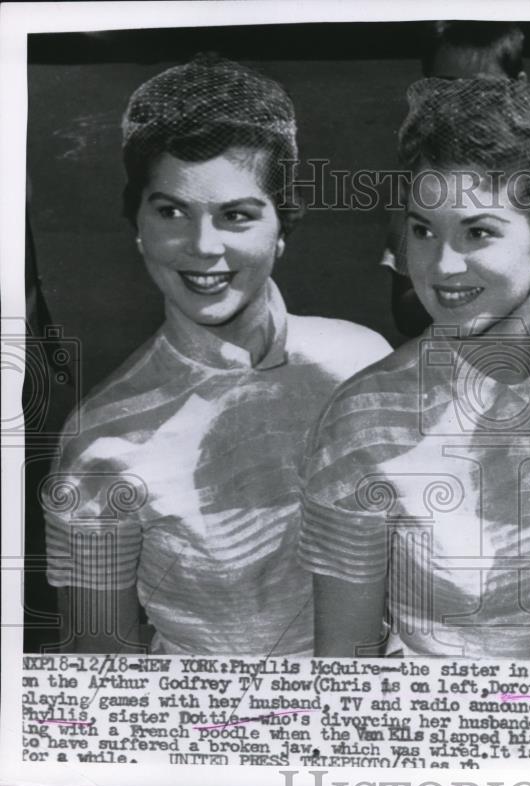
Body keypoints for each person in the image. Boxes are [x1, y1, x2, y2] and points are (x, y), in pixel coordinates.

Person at [300, 77, 530, 659]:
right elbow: (345, 658)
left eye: (478, 232)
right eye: (423, 229)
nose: (443, 265)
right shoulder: (362, 419)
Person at [42, 54, 390, 655]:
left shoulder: (365, 363)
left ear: (283, 225)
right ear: (138, 224)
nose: (203, 246)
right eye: (171, 211)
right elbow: (103, 678)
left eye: (236, 216)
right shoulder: (100, 442)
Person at [382, 22, 530, 337]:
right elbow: (405, 313)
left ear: (518, 86)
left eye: (483, 87)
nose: (463, 101)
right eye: (446, 85)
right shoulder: (420, 180)